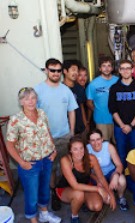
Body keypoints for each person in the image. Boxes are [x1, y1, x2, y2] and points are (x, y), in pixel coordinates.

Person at [6, 87, 61, 223]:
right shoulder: (16, 119)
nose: (30, 101)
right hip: (29, 164)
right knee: (31, 195)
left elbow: (48, 132)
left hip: (47, 159)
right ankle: (33, 219)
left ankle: (44, 213)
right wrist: (21, 162)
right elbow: (10, 145)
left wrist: (53, 150)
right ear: (21, 102)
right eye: (26, 98)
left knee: (44, 189)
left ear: (36, 99)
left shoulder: (42, 113)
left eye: (33, 97)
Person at [34, 58, 78, 210]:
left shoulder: (65, 90)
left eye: (58, 70)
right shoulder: (38, 90)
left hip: (65, 135)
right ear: (46, 70)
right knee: (51, 169)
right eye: (52, 70)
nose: (56, 73)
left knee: (66, 165)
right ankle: (54, 194)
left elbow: (72, 110)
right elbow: (33, 114)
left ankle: (67, 191)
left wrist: (71, 131)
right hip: (47, 138)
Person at [56, 136, 116, 223]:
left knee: (98, 206)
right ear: (70, 150)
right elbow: (75, 185)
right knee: (78, 194)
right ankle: (74, 216)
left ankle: (82, 202)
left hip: (86, 186)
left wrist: (111, 195)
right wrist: (98, 189)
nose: (79, 152)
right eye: (75, 149)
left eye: (81, 148)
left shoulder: (91, 158)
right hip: (66, 188)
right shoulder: (65, 160)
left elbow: (101, 178)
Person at [108, 59, 135, 167]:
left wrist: (130, 125)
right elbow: (112, 109)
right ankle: (122, 178)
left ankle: (133, 178)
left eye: (128, 68)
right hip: (119, 128)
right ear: (119, 70)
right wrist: (122, 126)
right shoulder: (114, 88)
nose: (125, 71)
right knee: (121, 154)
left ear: (132, 70)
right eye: (123, 69)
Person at [87, 129, 128, 211]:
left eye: (98, 139)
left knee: (122, 180)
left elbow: (119, 165)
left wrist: (116, 175)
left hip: (110, 172)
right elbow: (87, 171)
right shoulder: (86, 149)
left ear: (102, 139)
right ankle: (107, 192)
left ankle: (121, 197)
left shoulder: (108, 146)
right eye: (92, 140)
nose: (96, 143)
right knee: (108, 200)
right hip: (96, 176)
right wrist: (97, 180)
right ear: (89, 141)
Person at [86, 56, 119, 142]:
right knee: (104, 145)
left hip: (118, 120)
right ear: (100, 68)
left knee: (118, 144)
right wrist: (98, 110)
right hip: (101, 120)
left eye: (109, 65)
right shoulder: (93, 84)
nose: (106, 68)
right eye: (104, 66)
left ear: (112, 68)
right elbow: (89, 102)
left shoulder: (118, 81)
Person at [63, 59, 88, 136]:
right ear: (65, 71)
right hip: (66, 130)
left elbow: (81, 106)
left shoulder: (79, 88)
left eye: (77, 71)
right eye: (73, 70)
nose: (76, 73)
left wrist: (85, 123)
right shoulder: (60, 89)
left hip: (80, 129)